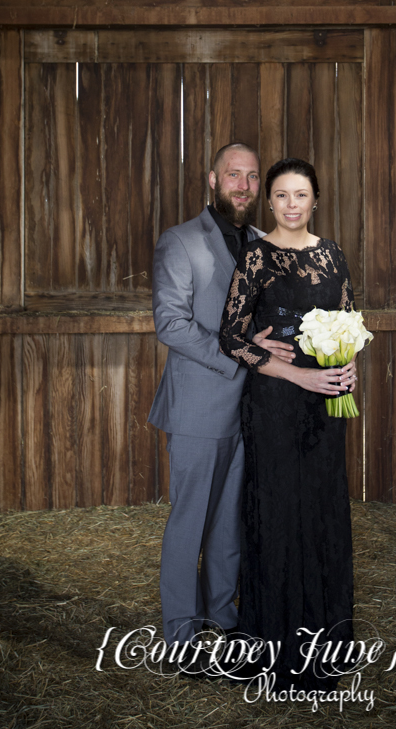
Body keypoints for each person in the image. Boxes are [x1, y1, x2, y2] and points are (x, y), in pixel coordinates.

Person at [149, 142, 295, 649]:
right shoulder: (180, 241)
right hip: (197, 407)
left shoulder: (263, 242)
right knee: (190, 523)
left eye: (252, 177)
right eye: (233, 175)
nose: (243, 185)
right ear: (212, 180)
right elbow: (170, 324)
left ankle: (221, 619)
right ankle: (181, 637)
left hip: (250, 410)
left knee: (230, 524)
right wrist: (236, 352)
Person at [219, 157, 357, 691]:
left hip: (326, 408)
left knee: (323, 511)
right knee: (277, 513)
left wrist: (347, 366)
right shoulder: (256, 256)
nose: (291, 205)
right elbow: (230, 337)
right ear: (269, 202)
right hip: (275, 404)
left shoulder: (334, 255)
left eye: (300, 195)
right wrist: (294, 375)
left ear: (315, 199)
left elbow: (349, 321)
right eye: (280, 196)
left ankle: (326, 650)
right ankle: (274, 652)